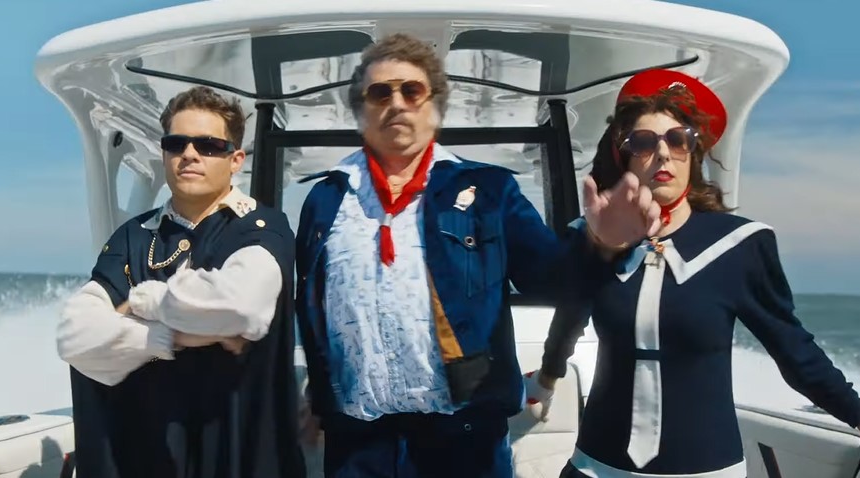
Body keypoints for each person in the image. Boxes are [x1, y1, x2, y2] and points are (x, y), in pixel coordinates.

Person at [294, 33, 663, 478]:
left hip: (464, 441)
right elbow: (312, 304)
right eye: (380, 92)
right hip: (358, 444)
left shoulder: (489, 190)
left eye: (411, 90)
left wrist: (603, 244)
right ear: (361, 110)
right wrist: (319, 398)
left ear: (434, 106)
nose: (397, 103)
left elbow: (551, 279)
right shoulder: (325, 198)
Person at [527, 69, 860, 478]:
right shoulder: (589, 236)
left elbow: (796, 354)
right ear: (622, 155)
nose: (662, 153)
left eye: (677, 139)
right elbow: (568, 315)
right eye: (643, 142)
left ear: (693, 153)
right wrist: (547, 378)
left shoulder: (741, 244)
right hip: (596, 467)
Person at [56, 86, 305, 478]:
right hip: (146, 458)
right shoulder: (133, 236)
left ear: (235, 159)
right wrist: (172, 337)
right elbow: (75, 335)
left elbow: (239, 307)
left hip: (237, 457)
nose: (189, 154)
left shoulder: (264, 227)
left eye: (208, 145)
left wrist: (143, 303)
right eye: (177, 143)